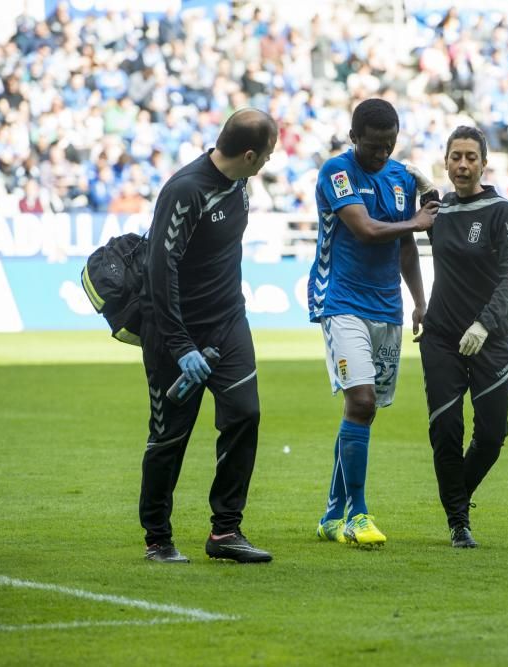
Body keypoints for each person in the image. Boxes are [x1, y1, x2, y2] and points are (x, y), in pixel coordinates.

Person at [138, 108, 278, 564]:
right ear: (251, 153)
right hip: (173, 333)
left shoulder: (240, 184)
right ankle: (157, 539)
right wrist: (180, 345)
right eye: (269, 154)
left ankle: (225, 533)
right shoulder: (185, 191)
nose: (270, 162)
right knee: (169, 437)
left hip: (229, 323)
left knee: (244, 415)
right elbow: (161, 269)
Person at [308, 98, 438, 547]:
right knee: (361, 401)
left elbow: (406, 248)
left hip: (388, 308)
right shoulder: (336, 172)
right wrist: (419, 220)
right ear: (353, 137)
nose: (382, 154)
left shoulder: (403, 179)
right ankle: (356, 515)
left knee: (362, 413)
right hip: (340, 300)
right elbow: (363, 228)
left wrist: (420, 300)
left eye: (390, 145)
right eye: (374, 145)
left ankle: (329, 515)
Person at [416, 126, 508, 548]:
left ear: (483, 162)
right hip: (441, 337)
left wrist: (483, 323)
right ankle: (458, 521)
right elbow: (418, 207)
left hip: (489, 337)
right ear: (445, 161)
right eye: (455, 157)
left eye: (470, 157)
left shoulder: (501, 212)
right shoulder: (438, 213)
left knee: (493, 435)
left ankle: (455, 495)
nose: (462, 164)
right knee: (445, 429)